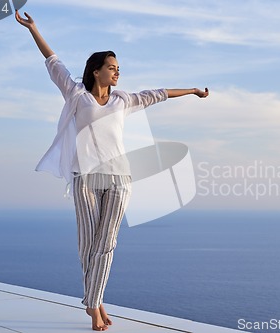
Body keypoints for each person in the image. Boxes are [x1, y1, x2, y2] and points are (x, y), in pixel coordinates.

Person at [15, 10, 209, 331]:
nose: (117, 72)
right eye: (111, 67)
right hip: (85, 180)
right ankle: (98, 302)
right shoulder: (76, 93)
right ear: (95, 71)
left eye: (119, 68)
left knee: (107, 243)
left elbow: (158, 94)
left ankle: (92, 307)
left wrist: (192, 91)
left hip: (119, 179)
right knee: (87, 245)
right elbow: (53, 61)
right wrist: (34, 28)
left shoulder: (123, 100)